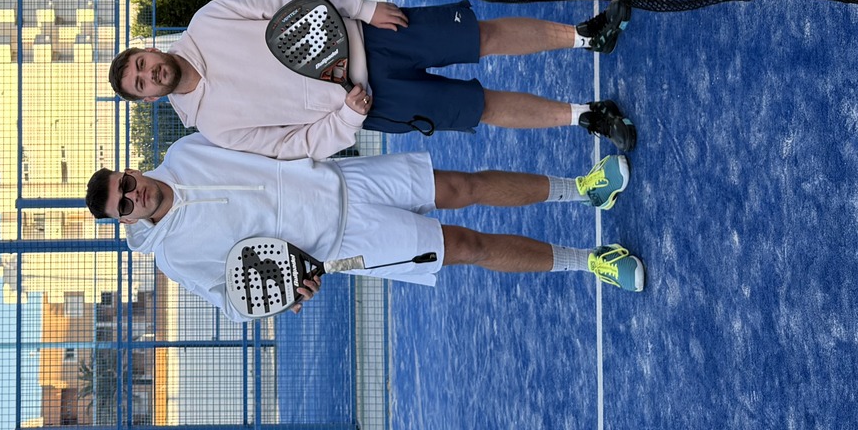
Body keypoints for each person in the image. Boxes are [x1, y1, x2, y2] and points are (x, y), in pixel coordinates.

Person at [85, 133, 644, 322]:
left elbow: (261, 136)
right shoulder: (173, 256)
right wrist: (286, 293)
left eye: (125, 183)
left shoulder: (184, 151)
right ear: (125, 221)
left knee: (464, 186)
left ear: (129, 171)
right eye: (123, 205)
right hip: (346, 247)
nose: (133, 194)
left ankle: (583, 187)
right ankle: (591, 261)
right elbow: (233, 301)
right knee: (468, 246)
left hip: (344, 178)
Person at [108, 0, 636, 157]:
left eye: (141, 64)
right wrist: (347, 117)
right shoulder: (215, 128)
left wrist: (361, 7)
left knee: (484, 37)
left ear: (146, 51)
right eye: (141, 84)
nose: (149, 74)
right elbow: (292, 145)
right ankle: (586, 116)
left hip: (372, 35)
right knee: (483, 107)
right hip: (373, 106)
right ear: (149, 99)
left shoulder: (207, 22)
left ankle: (586, 36)